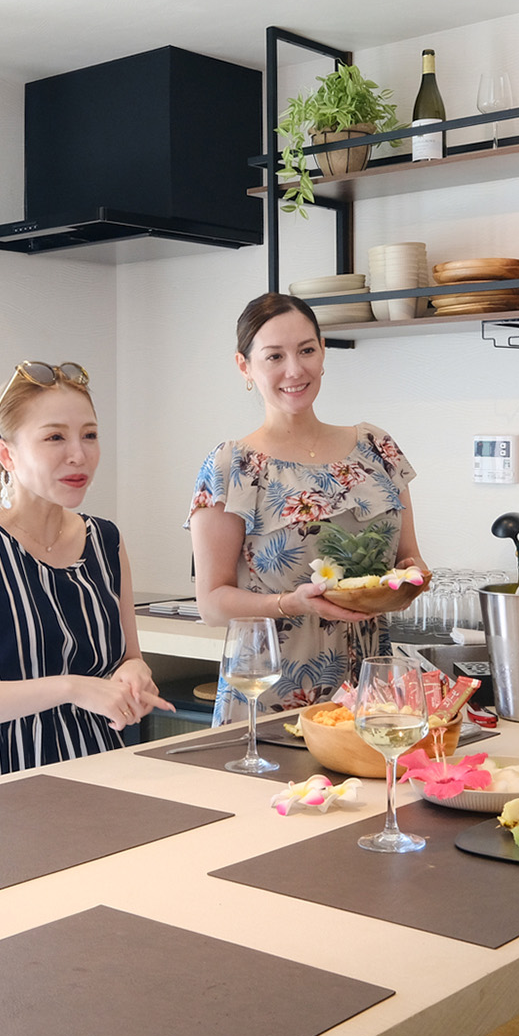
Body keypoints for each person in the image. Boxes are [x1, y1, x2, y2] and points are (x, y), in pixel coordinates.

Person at [0, 360, 171, 784]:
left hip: (100, 769)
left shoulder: (107, 541)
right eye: (55, 437)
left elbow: (131, 658)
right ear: (7, 454)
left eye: (90, 435)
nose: (79, 454)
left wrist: (133, 677)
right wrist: (72, 687)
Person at [187, 293, 424, 721]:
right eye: (274, 356)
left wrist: (411, 581)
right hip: (273, 695)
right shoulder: (232, 465)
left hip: (370, 699)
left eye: (306, 350)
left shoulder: (376, 448)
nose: (294, 370)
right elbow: (212, 603)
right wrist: (292, 603)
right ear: (245, 366)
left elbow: (409, 561)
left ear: (323, 353)